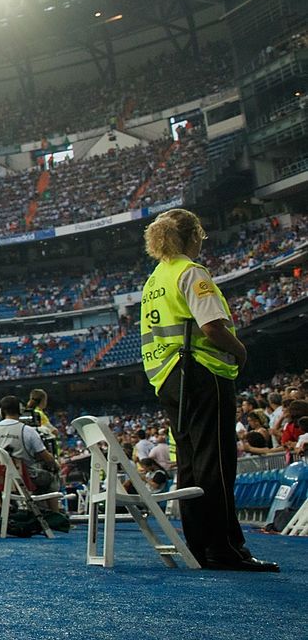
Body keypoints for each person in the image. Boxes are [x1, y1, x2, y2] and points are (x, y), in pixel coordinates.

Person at [140, 208, 277, 572]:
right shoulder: (191, 271)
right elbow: (212, 326)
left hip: (168, 378)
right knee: (216, 462)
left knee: (190, 466)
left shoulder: (155, 279)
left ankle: (199, 546)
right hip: (202, 371)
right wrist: (241, 350)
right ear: (193, 236)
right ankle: (224, 547)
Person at [0, 395, 59, 496]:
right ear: (21, 410)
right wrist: (55, 464)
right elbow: (47, 458)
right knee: (50, 478)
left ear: (1, 412)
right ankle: (53, 511)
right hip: (24, 479)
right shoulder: (28, 431)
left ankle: (0, 507)